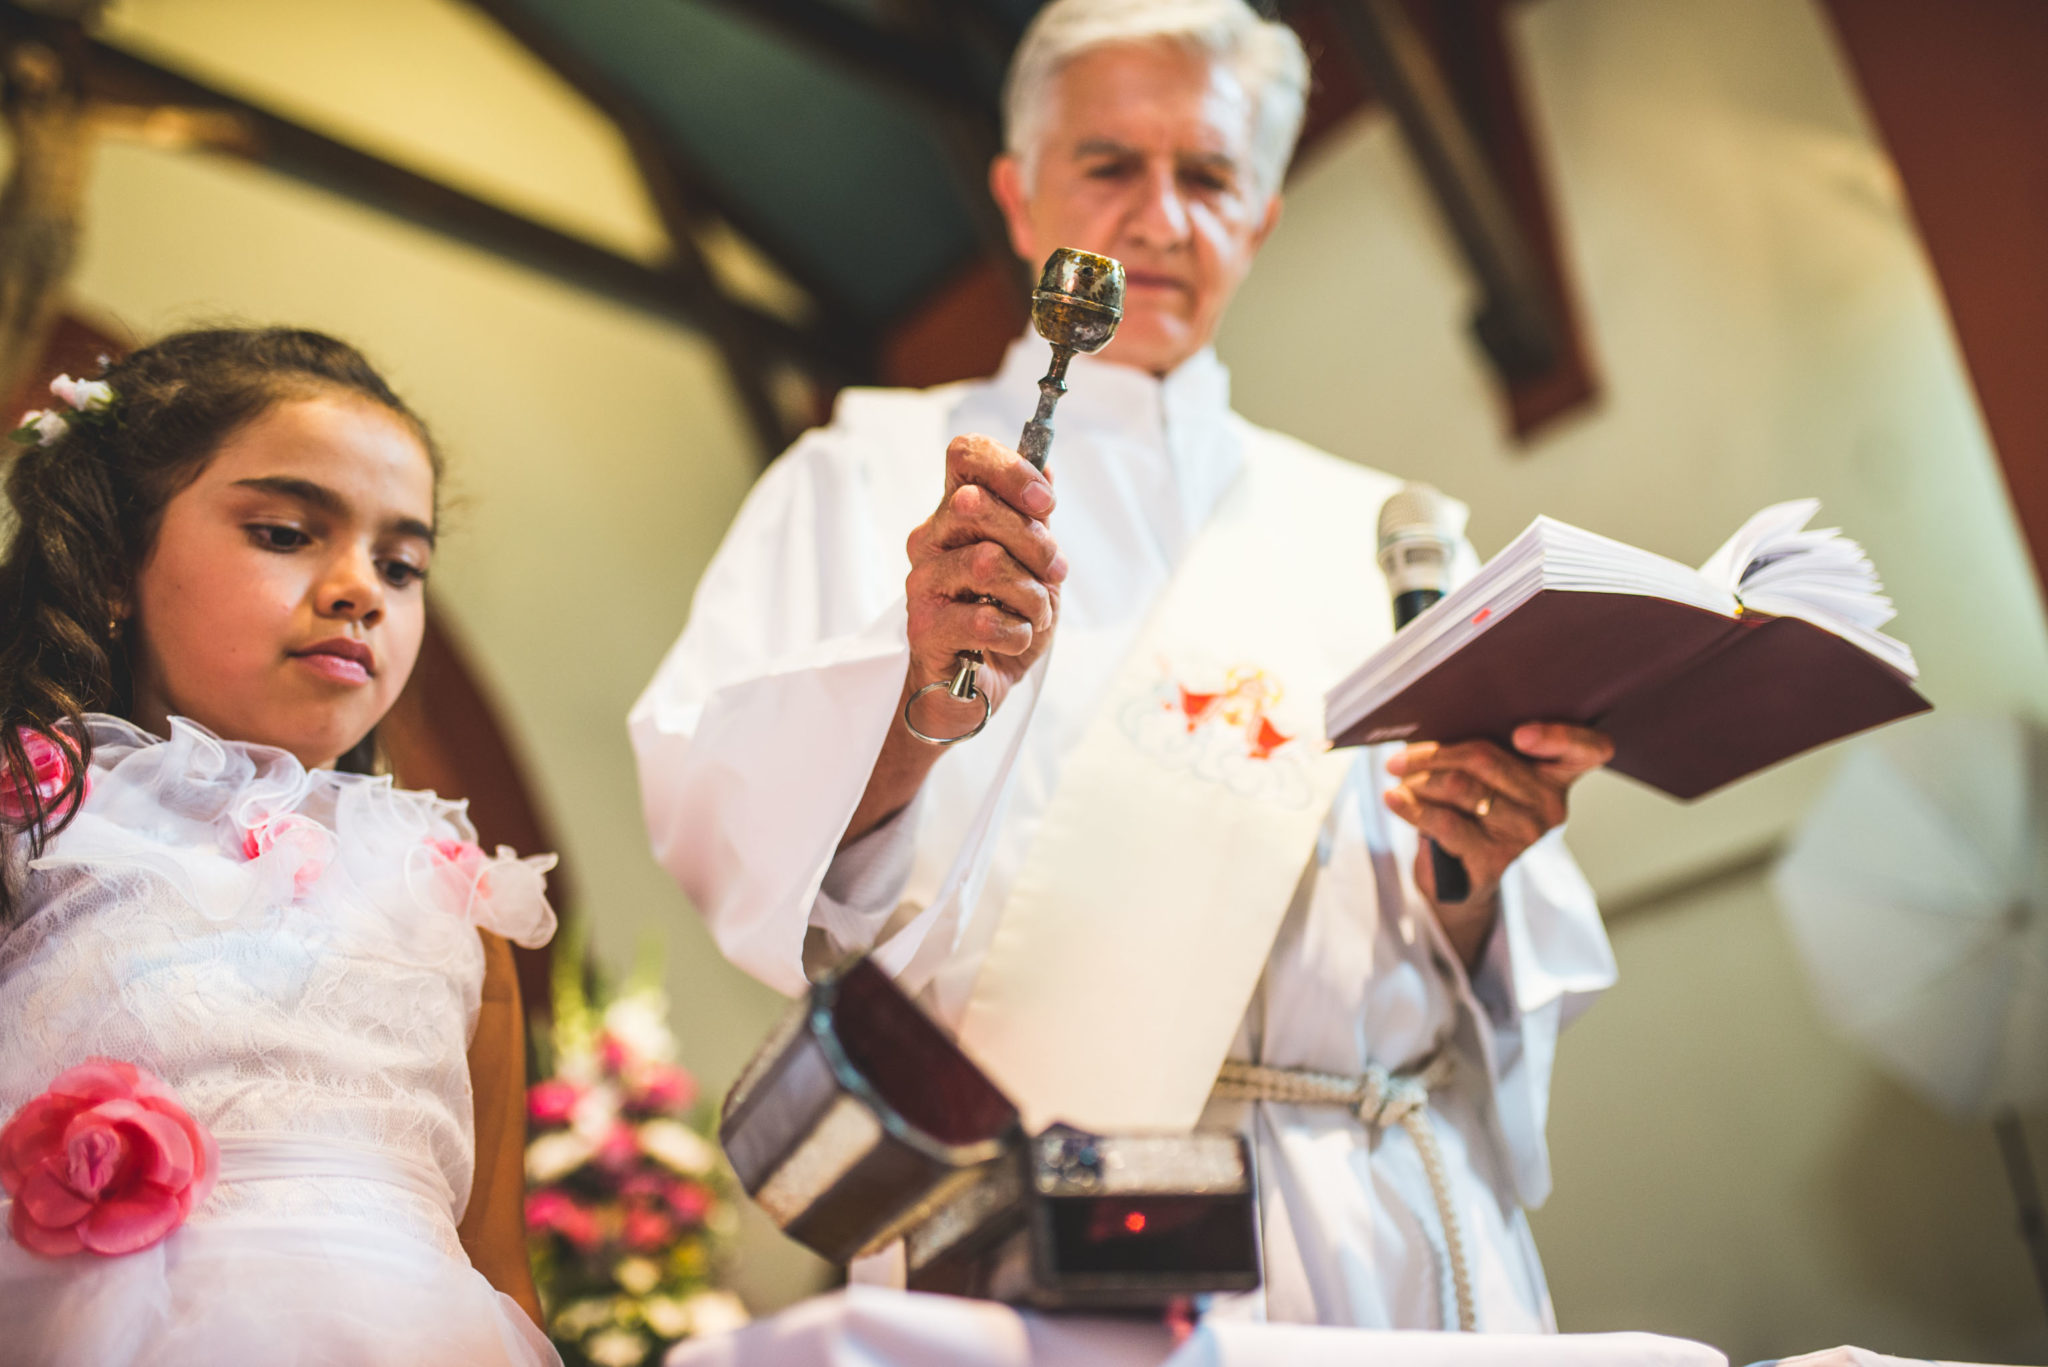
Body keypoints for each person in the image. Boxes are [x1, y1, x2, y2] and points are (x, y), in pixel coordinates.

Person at [632, 0, 1615, 1332]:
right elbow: (737, 823)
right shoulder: (863, 473)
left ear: (1261, 217)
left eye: (1209, 175)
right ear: (1017, 194)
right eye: (1109, 164)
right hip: (1047, 1222)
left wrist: (1473, 877)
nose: (1161, 218)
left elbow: (1471, 953)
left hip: (1384, 1209)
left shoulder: (1377, 524)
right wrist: (914, 696)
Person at [0, 329, 560, 1365]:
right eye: (284, 531)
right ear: (117, 562)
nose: (361, 587)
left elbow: (493, 1256)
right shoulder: (31, 822)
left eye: (402, 562)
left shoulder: (450, 898)